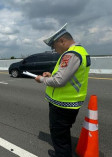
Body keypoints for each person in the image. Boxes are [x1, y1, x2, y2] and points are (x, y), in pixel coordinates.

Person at [35, 23, 91, 157]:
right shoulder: (80, 52)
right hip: (69, 102)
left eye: (54, 46)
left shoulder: (71, 54)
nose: (55, 50)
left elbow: (59, 81)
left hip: (62, 103)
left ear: (62, 41)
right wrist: (51, 75)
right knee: (63, 132)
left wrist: (41, 79)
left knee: (59, 134)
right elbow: (68, 77)